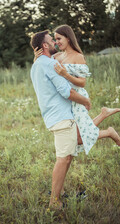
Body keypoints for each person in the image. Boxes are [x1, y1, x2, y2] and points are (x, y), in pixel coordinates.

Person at [34, 24, 120, 156]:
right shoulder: (57, 56)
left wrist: (66, 75)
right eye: (55, 39)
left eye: (59, 39)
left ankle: (109, 132)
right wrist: (36, 57)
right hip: (66, 98)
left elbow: (82, 82)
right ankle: (104, 116)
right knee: (79, 135)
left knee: (79, 137)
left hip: (77, 97)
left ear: (68, 38)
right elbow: (44, 64)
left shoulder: (78, 56)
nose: (56, 42)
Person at [30, 30, 92, 209]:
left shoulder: (37, 65)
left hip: (52, 116)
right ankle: (54, 201)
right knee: (63, 158)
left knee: (67, 156)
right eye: (51, 40)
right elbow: (67, 92)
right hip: (62, 117)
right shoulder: (50, 64)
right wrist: (85, 100)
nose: (55, 42)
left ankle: (61, 192)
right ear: (45, 46)